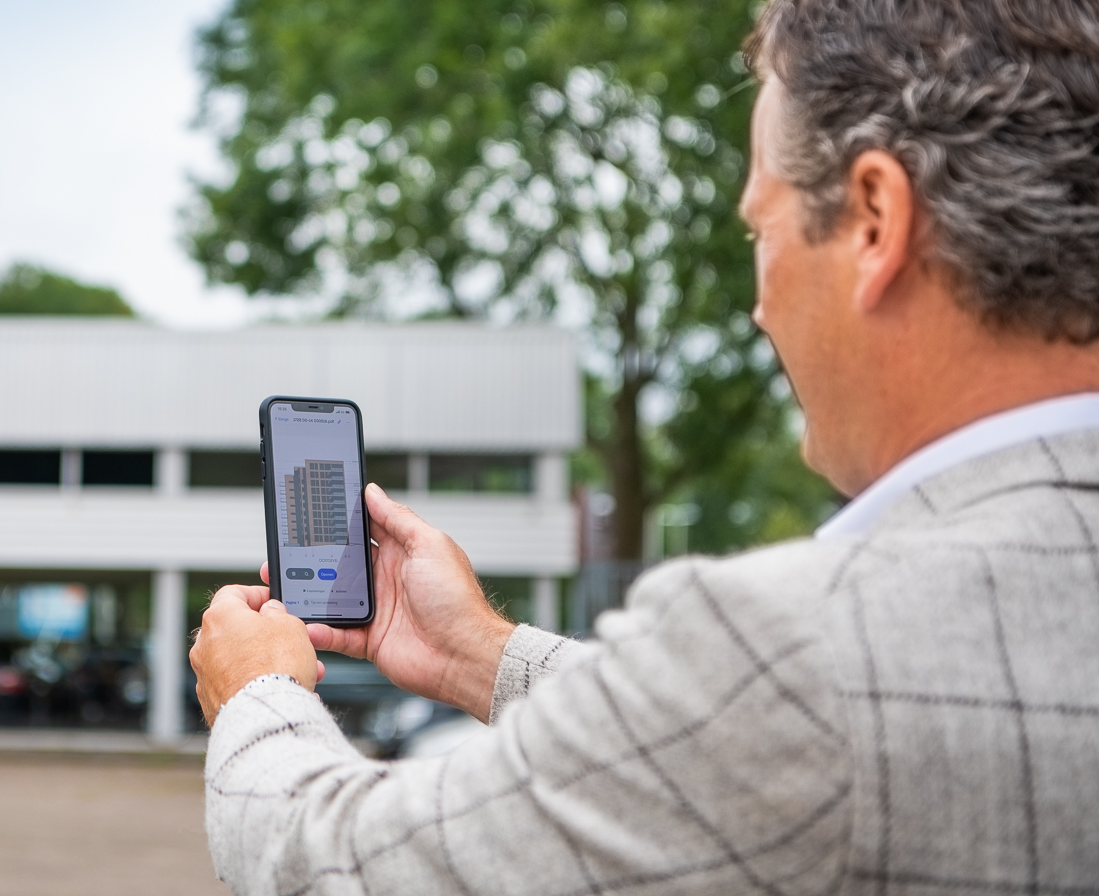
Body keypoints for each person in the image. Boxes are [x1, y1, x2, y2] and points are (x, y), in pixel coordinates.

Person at [189, 0, 1099, 892]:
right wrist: (479, 653)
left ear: (873, 219)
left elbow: (342, 868)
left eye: (760, 229)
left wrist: (258, 695)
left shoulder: (792, 646)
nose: (759, 304)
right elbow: (754, 751)